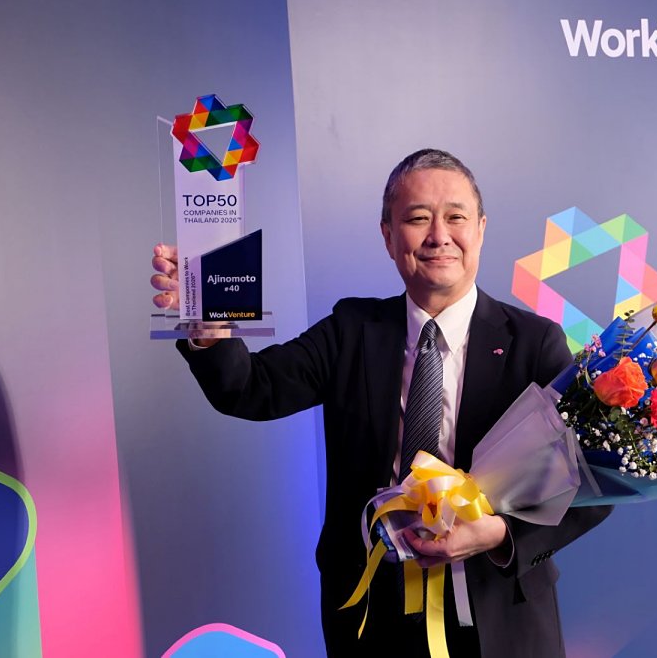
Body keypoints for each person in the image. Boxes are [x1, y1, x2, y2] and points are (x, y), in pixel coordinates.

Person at [151, 149, 611, 657]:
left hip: (499, 613)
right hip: (372, 614)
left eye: (456, 217)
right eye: (417, 219)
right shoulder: (351, 330)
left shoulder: (534, 343)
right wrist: (209, 322)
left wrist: (500, 535)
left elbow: (593, 480)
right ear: (389, 237)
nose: (439, 236)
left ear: (481, 229)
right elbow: (252, 389)